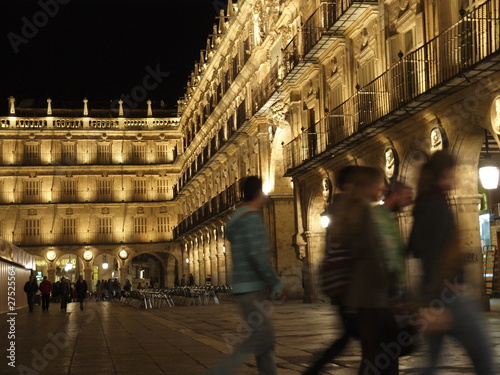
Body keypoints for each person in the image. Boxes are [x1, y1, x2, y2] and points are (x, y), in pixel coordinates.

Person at [407, 151, 495, 375]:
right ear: (445, 172)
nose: (457, 175)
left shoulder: (426, 203)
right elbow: (434, 253)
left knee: (433, 363)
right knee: (484, 357)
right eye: (454, 170)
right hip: (449, 295)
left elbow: (414, 247)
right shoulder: (435, 206)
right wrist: (443, 296)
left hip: (436, 294)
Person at [206, 176, 288, 375]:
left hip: (244, 288)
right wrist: (276, 283)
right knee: (261, 339)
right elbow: (258, 256)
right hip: (253, 289)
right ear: (259, 193)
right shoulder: (251, 218)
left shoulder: (238, 219)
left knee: (264, 343)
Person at [331, 166, 398, 374]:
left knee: (372, 354)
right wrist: (390, 286)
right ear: (367, 186)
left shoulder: (346, 212)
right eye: (378, 183)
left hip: (357, 295)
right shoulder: (364, 212)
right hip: (371, 295)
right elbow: (370, 255)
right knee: (383, 355)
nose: (382, 188)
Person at [303, 165, 359, 375]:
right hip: (348, 284)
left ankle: (314, 369)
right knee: (359, 337)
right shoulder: (346, 209)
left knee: (349, 337)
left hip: (345, 284)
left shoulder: (338, 208)